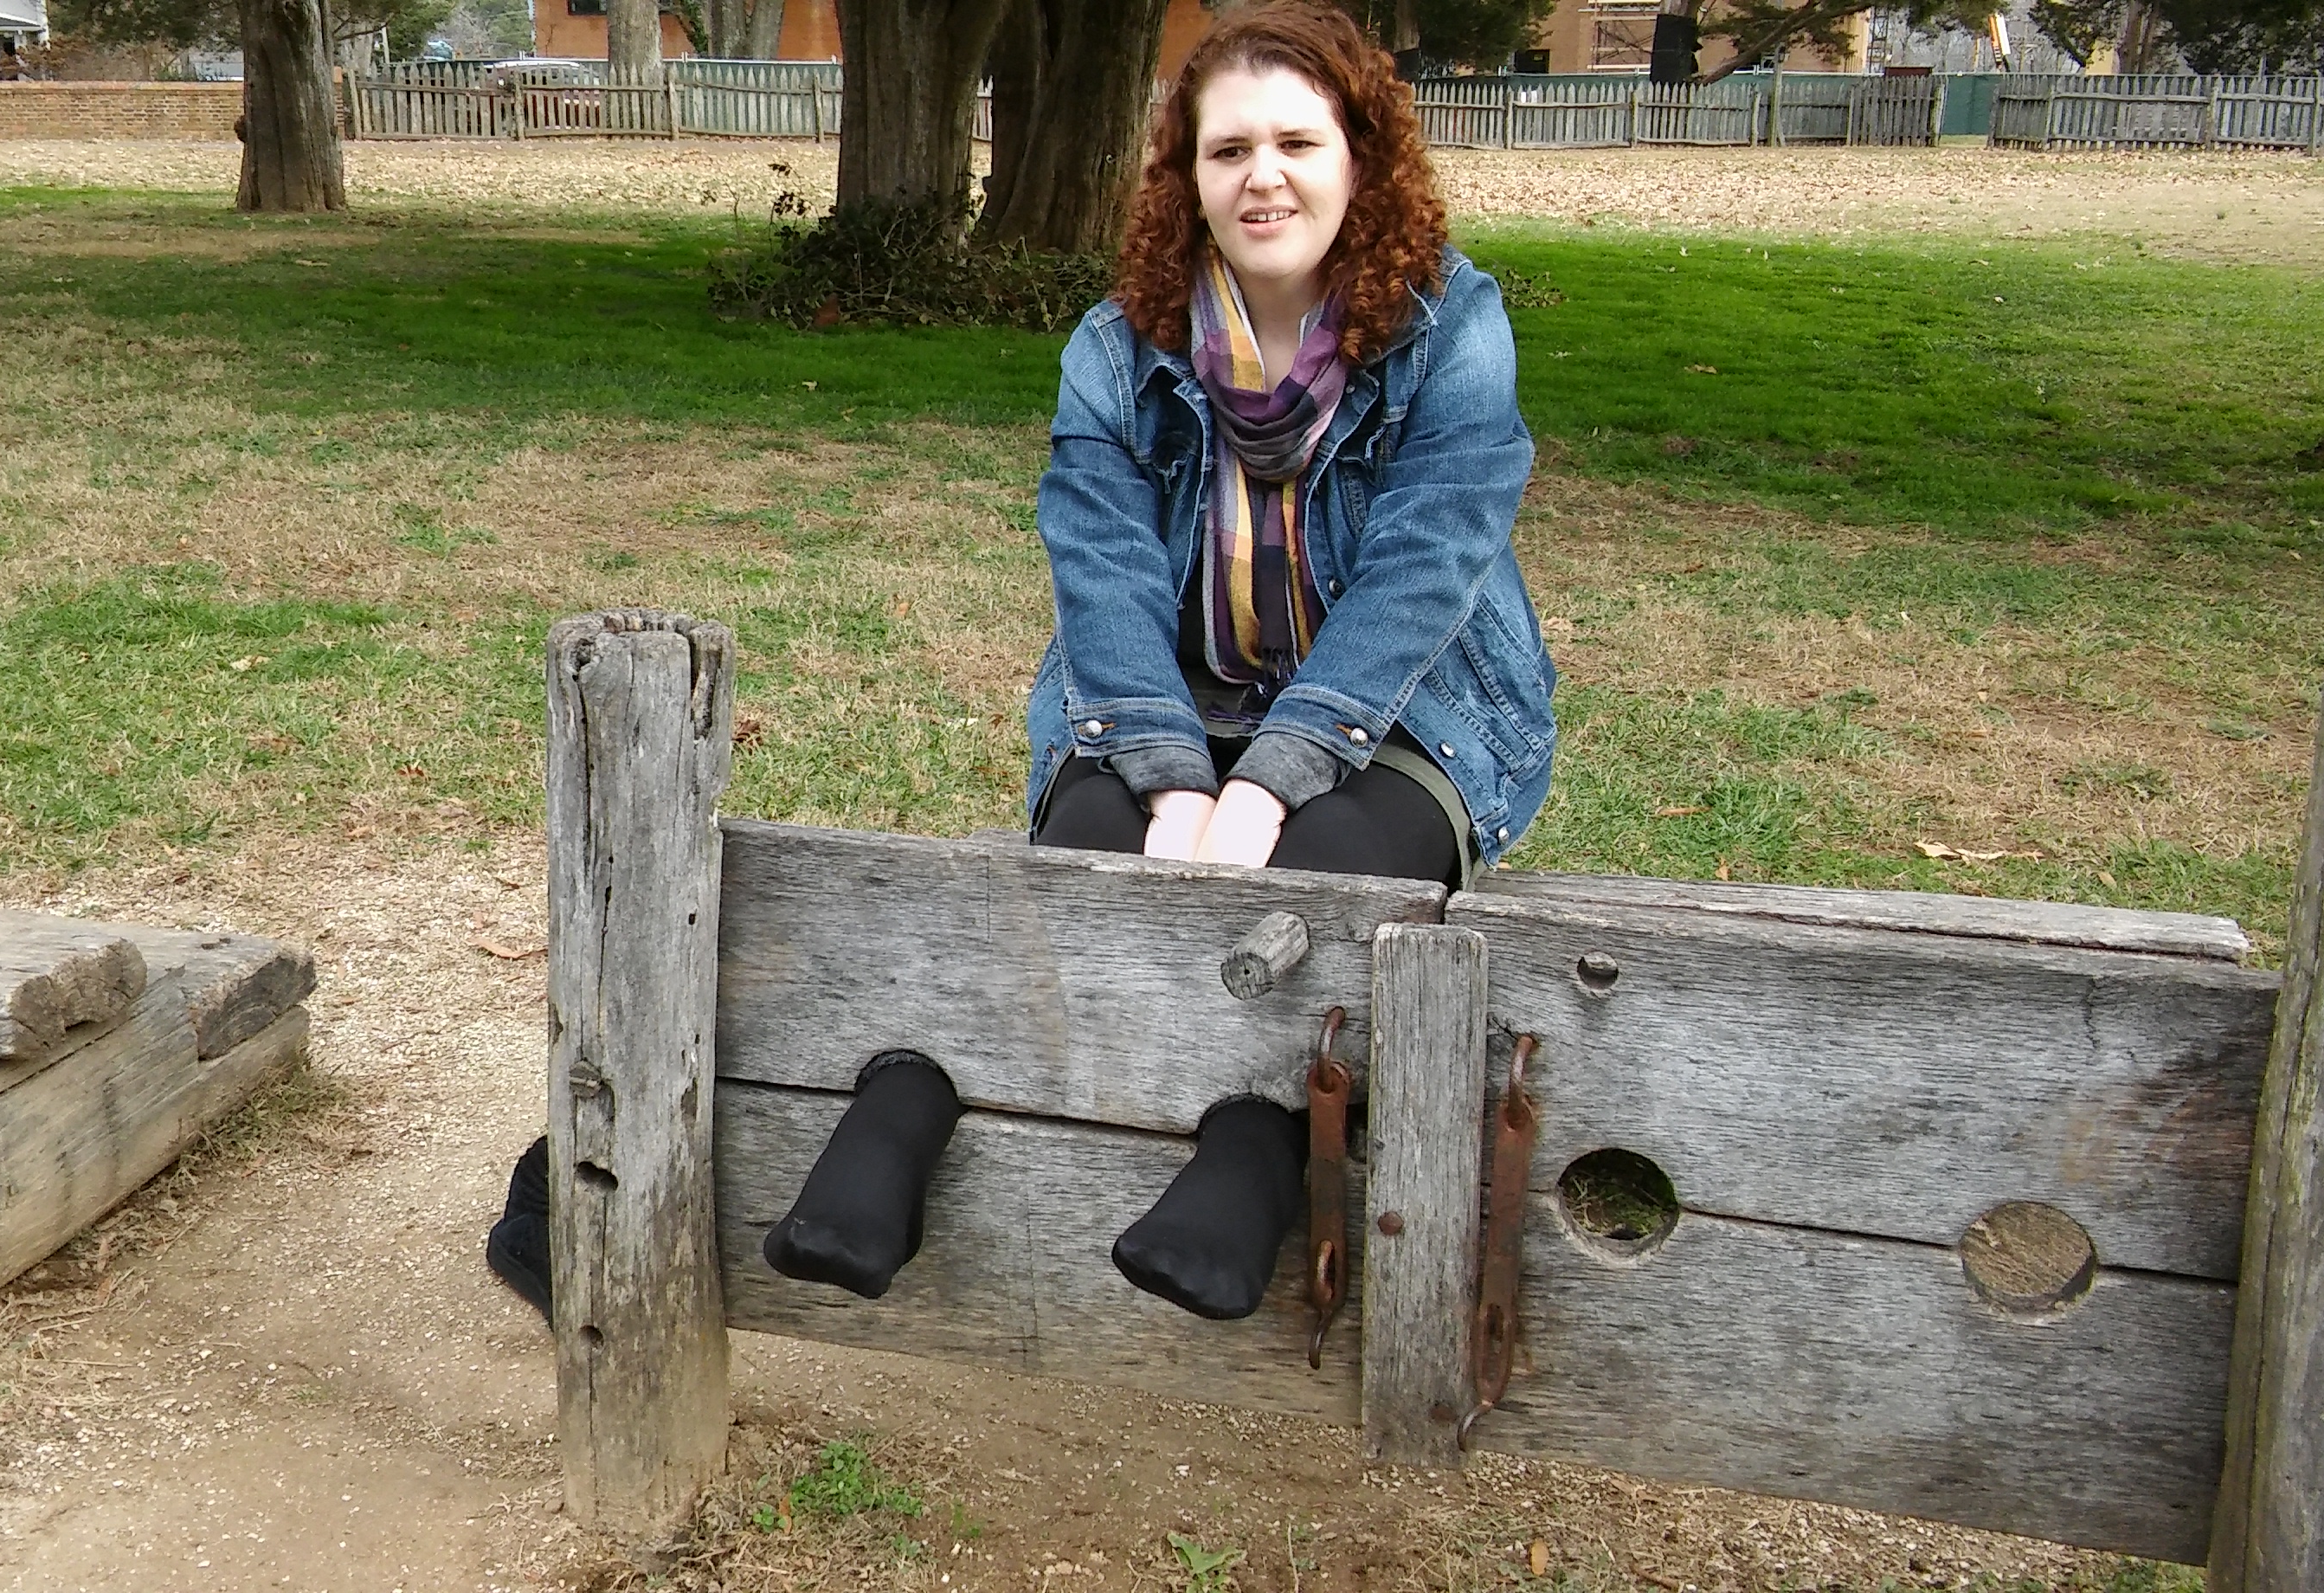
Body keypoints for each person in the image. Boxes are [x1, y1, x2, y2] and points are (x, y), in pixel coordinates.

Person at [490, 0, 1555, 1327]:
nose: (1263, 177)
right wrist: (1173, 782)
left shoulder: (1456, 328)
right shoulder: (1119, 349)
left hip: (1407, 711)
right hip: (1162, 702)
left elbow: (1426, 569)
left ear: (1362, 158)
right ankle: (903, 1111)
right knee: (1084, 858)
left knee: (1331, 875)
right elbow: (1099, 570)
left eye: (1297, 142)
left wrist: (1267, 785)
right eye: (1229, 151)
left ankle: (1255, 1147)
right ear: (1189, 178)